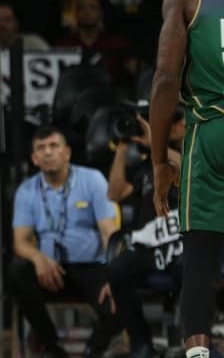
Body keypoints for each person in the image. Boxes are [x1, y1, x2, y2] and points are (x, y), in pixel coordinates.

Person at [149, 0, 224, 358]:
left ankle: (197, 354)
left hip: (211, 133)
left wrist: (160, 159)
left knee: (200, 261)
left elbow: (164, 81)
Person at [9, 126, 118, 358]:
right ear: (34, 158)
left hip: (90, 266)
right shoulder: (26, 191)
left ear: (67, 152)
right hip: (49, 271)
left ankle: (93, 349)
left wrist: (114, 273)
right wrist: (38, 258)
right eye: (41, 148)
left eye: (54, 146)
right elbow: (20, 241)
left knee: (120, 298)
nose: (48, 152)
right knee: (17, 271)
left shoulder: (93, 180)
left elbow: (109, 232)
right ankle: (52, 346)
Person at [103, 109, 184, 358]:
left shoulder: (192, 154)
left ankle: (183, 341)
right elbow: (115, 193)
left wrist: (155, 144)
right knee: (116, 269)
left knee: (192, 269)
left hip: (183, 243)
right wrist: (122, 147)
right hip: (148, 245)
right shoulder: (145, 167)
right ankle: (141, 343)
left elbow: (187, 171)